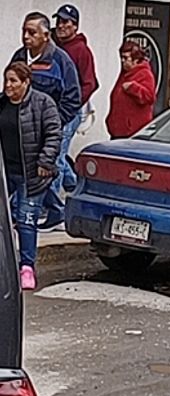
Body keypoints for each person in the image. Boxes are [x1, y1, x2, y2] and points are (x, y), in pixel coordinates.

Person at [11, 12, 79, 232]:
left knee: (43, 170)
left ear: (46, 35)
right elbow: (11, 87)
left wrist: (53, 125)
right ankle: (52, 211)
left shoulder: (61, 61)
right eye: (24, 31)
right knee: (22, 170)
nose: (26, 37)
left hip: (47, 130)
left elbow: (73, 98)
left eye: (32, 32)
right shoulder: (19, 57)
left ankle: (39, 214)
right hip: (21, 128)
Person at [0, 62, 61, 290]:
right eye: (6, 80)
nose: (8, 85)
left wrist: (45, 161)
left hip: (32, 174)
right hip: (6, 173)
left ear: (26, 82)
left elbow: (54, 134)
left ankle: (27, 267)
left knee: (26, 219)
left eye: (13, 81)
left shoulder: (43, 104)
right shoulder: (2, 104)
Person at [52, 4, 97, 195]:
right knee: (56, 155)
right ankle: (77, 186)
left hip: (70, 111)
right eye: (58, 21)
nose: (61, 26)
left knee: (55, 156)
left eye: (65, 22)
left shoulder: (81, 50)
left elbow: (90, 83)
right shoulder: (53, 46)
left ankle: (52, 204)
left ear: (75, 26)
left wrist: (72, 105)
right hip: (53, 109)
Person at [106, 41, 156, 139]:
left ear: (136, 60)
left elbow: (149, 97)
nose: (122, 61)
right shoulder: (124, 74)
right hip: (118, 131)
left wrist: (133, 88)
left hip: (133, 133)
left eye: (125, 58)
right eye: (121, 57)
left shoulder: (145, 74)